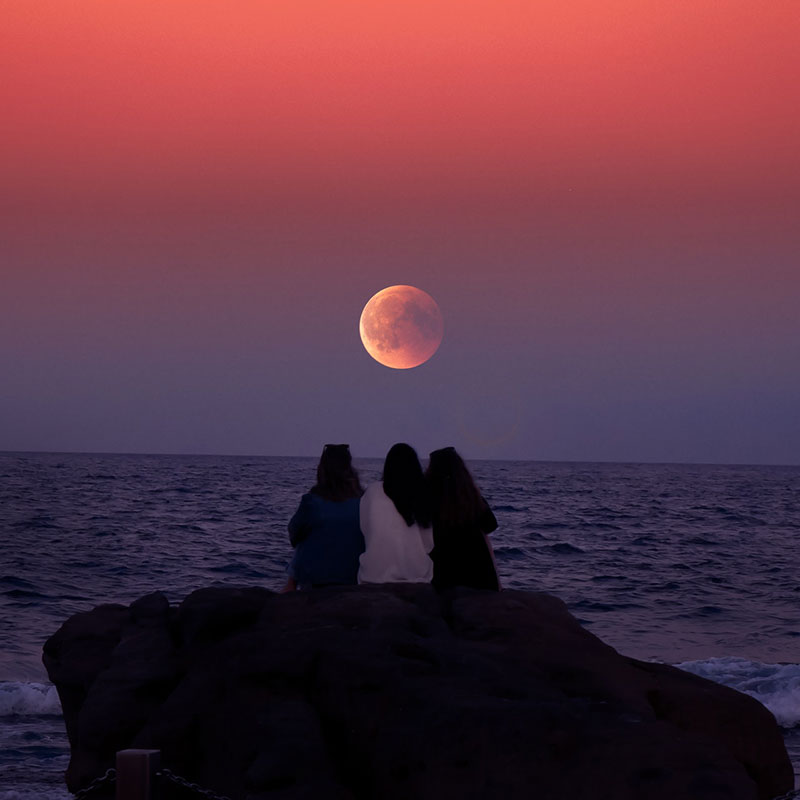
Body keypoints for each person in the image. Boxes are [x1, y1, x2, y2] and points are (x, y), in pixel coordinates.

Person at [284, 444, 364, 590]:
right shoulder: (362, 501)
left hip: (316, 579)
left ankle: (290, 586)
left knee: (305, 538)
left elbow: (293, 535)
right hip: (353, 575)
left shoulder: (312, 501)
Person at [425, 446, 500, 591]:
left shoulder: (428, 498)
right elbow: (489, 527)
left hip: (443, 573)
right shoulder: (473, 499)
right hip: (478, 574)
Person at [358, 443, 434, 584]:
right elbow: (429, 544)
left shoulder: (372, 492)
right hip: (415, 575)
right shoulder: (422, 494)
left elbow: (365, 529)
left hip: (373, 575)